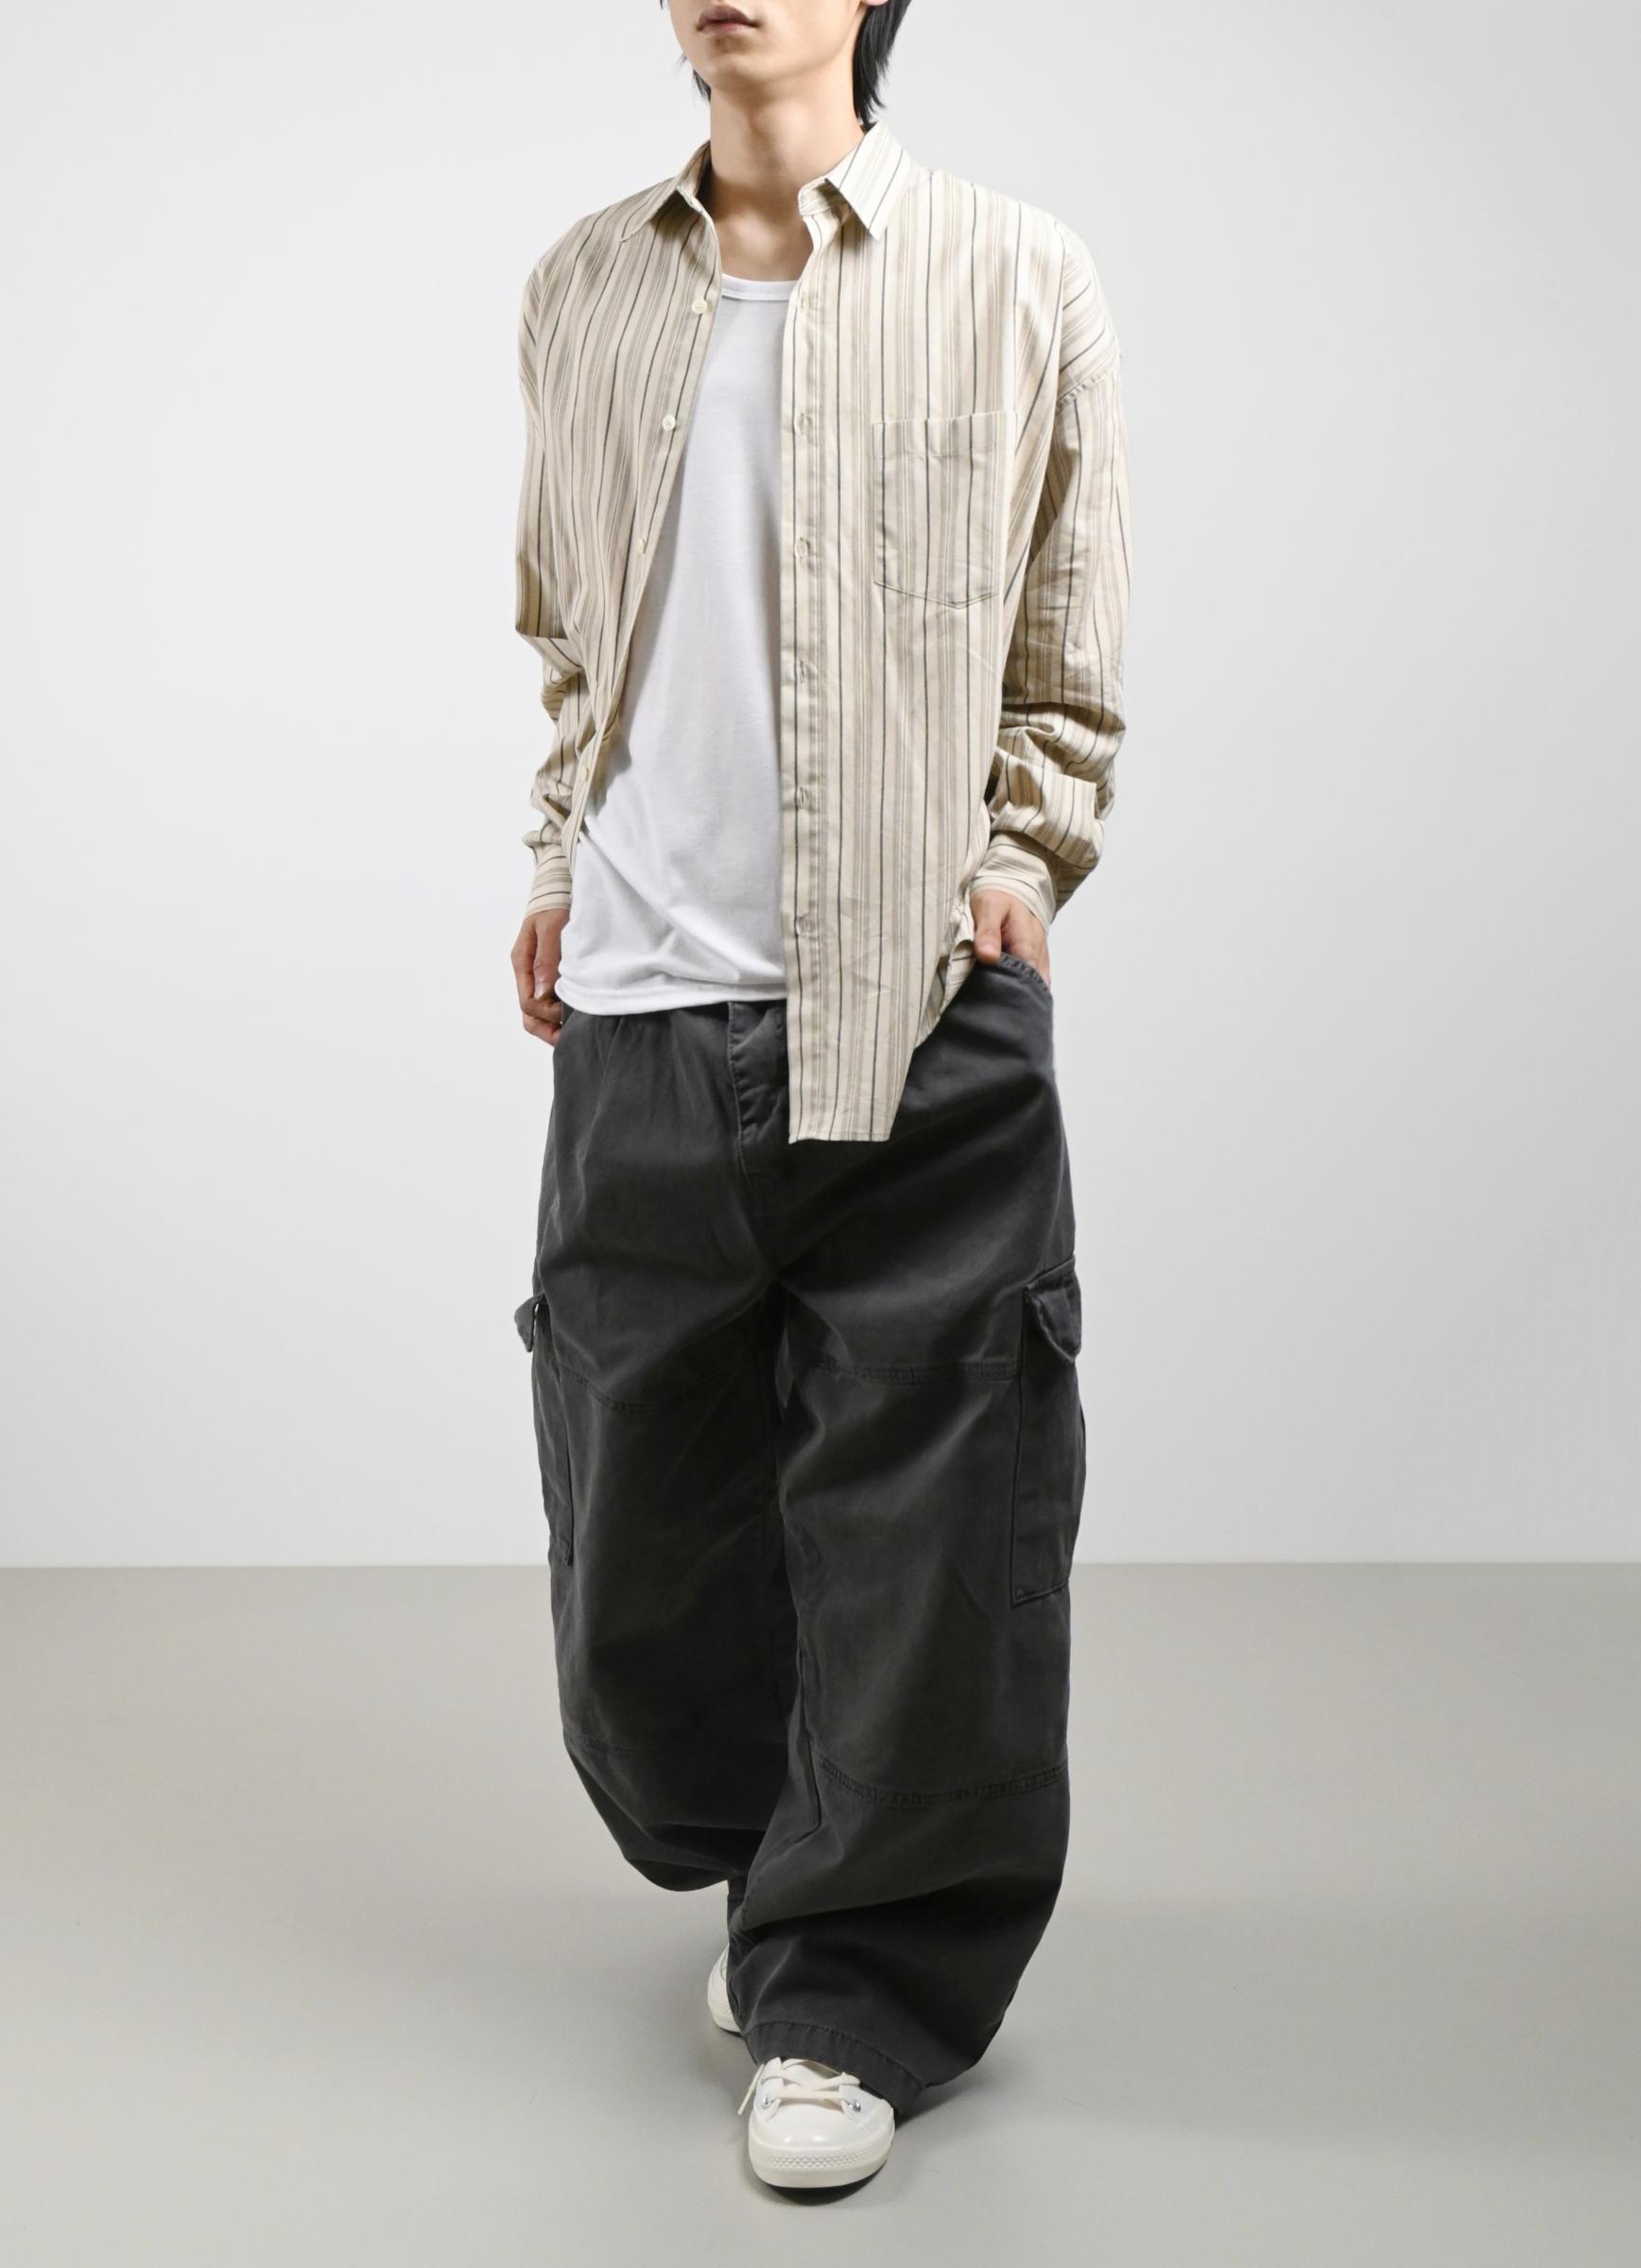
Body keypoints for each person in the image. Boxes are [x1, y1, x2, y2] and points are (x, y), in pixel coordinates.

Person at [508, 0, 1131, 2193]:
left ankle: (854, 1990)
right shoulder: (586, 284)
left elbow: (1069, 630)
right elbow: (576, 635)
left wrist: (1021, 857)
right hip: (643, 998)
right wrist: (554, 867)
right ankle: (780, 1858)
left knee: (928, 1520)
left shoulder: (1013, 270)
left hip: (917, 1002)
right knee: (640, 1536)